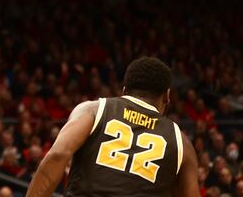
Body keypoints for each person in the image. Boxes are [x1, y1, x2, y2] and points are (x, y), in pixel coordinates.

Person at [26, 57, 199, 197]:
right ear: (167, 97)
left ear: (124, 91)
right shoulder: (181, 141)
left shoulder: (92, 110)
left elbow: (57, 155)